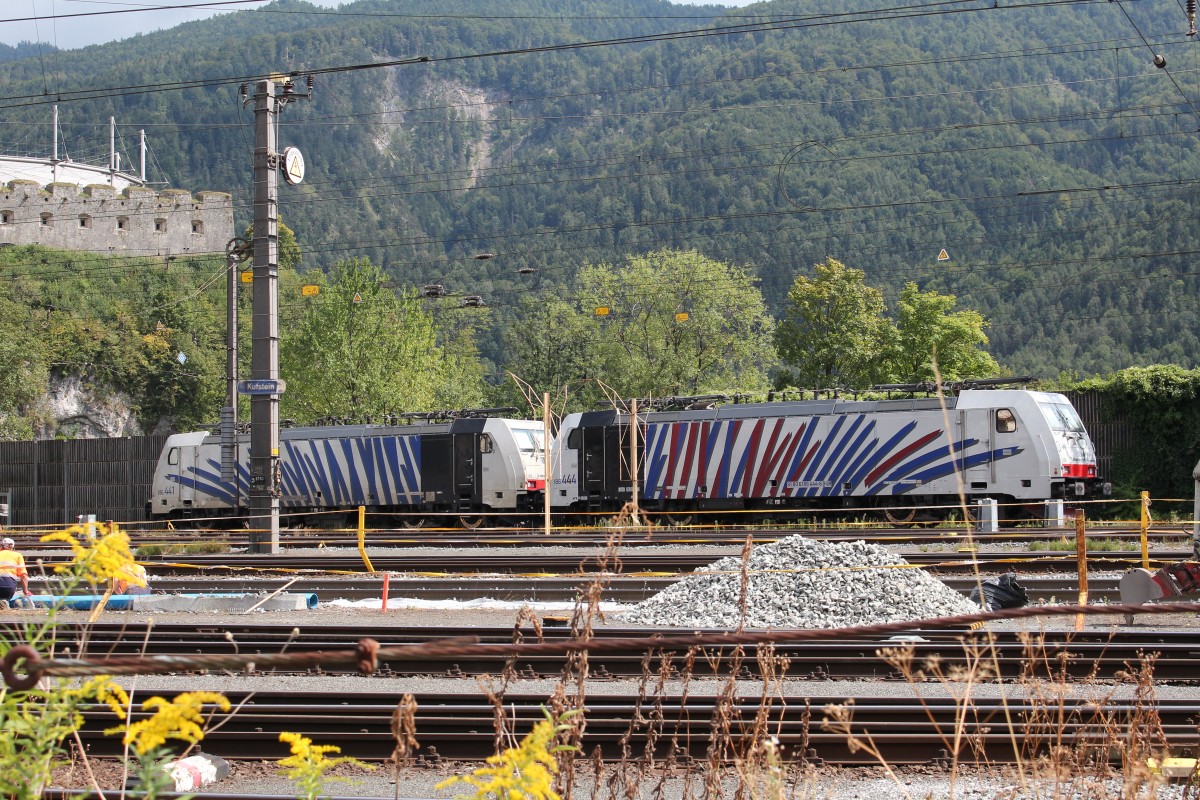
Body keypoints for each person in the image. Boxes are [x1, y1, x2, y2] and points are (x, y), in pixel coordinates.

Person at [0, 537, 31, 607]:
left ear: (1, 546)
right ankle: (4, 601)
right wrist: (25, 591)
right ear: (12, 547)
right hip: (8, 587)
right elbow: (23, 576)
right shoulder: (17, 555)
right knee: (5, 595)